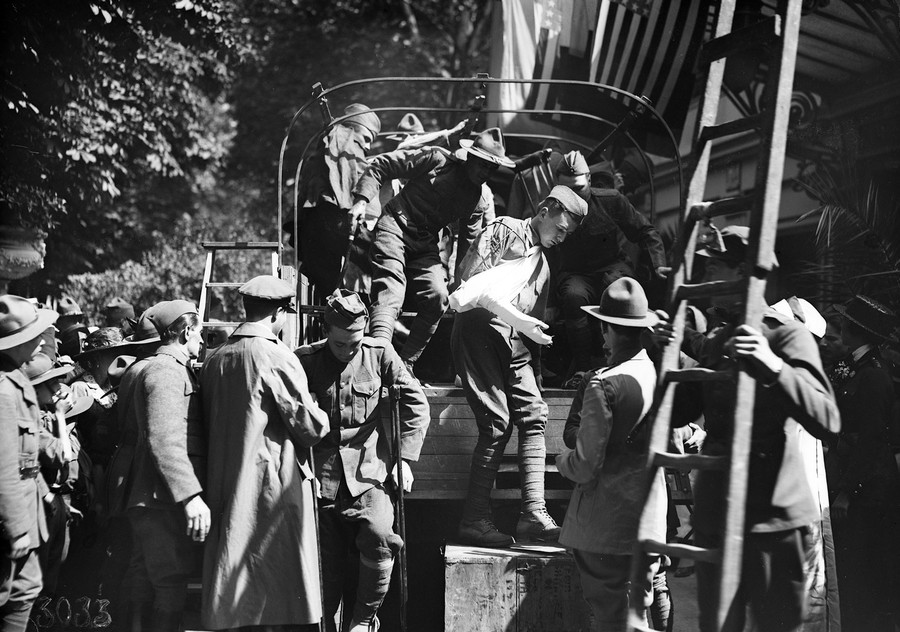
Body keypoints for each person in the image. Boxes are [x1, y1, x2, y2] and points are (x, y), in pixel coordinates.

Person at [654, 225, 840, 632]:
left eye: (714, 268)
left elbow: (828, 420)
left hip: (772, 521)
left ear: (742, 273)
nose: (705, 279)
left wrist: (774, 367)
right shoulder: (721, 341)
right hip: (719, 517)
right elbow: (680, 411)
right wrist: (665, 355)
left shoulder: (787, 336)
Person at [451, 185, 587, 546]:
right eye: (561, 228)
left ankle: (533, 515)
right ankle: (474, 519)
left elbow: (533, 329)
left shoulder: (542, 266)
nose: (562, 238)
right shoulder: (504, 230)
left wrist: (535, 380)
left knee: (535, 413)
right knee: (497, 424)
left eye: (568, 234)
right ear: (545, 210)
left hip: (515, 344)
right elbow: (468, 288)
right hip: (479, 333)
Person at [200, 275, 329, 631]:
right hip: (269, 485)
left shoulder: (216, 358)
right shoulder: (276, 355)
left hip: (224, 482)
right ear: (278, 314)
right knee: (276, 589)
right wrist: (317, 408)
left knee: (235, 584)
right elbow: (310, 427)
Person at [296, 289, 429, 632]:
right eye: (340, 344)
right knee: (323, 560)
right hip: (321, 474)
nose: (347, 351)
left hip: (369, 472)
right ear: (326, 331)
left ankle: (363, 620)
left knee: (381, 535)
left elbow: (416, 405)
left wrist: (404, 459)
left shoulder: (379, 354)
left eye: (354, 343)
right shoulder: (305, 360)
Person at [348, 127, 515, 375]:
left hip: (425, 244)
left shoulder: (477, 201)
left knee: (438, 298)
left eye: (492, 168)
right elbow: (383, 164)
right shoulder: (436, 159)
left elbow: (468, 247)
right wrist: (361, 201)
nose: (485, 173)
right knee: (391, 289)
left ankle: (404, 365)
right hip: (395, 226)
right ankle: (377, 359)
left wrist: (462, 285)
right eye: (482, 164)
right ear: (469, 157)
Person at [555, 277, 664, 632]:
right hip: (649, 520)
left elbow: (585, 465)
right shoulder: (657, 375)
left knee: (611, 620)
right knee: (637, 615)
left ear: (607, 329)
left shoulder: (604, 384)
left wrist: (561, 462)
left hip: (605, 525)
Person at [120, 299, 209, 631]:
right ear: (186, 332)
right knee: (169, 582)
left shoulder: (166, 367)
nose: (202, 340)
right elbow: (164, 439)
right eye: (199, 333)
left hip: (156, 497)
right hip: (161, 499)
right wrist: (190, 497)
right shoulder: (167, 371)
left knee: (148, 577)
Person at [554, 150, 667, 380]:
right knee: (573, 296)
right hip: (577, 274)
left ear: (589, 180)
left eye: (579, 188)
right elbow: (546, 252)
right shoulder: (552, 209)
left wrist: (658, 264)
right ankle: (582, 369)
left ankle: (620, 361)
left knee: (616, 290)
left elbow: (645, 231)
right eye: (566, 190)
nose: (573, 196)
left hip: (611, 267)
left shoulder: (611, 200)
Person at [828, 295, 900, 631]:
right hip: (855, 473)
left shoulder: (873, 375)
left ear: (855, 329)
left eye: (845, 322)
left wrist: (847, 491)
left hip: (868, 485)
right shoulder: (855, 366)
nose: (840, 326)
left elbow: (871, 439)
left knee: (862, 563)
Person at [0, 295, 57, 630]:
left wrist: (44, 490)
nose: (40, 341)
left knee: (24, 589)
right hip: (12, 518)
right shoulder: (4, 390)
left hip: (24, 508)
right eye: (34, 334)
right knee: (14, 593)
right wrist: (17, 528)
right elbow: (4, 468)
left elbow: (27, 450)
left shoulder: (14, 378)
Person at [290, 103, 382, 296]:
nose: (367, 146)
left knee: (322, 285)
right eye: (366, 138)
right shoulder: (342, 138)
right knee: (385, 258)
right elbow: (352, 180)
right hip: (336, 219)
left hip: (312, 224)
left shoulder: (326, 145)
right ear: (353, 127)